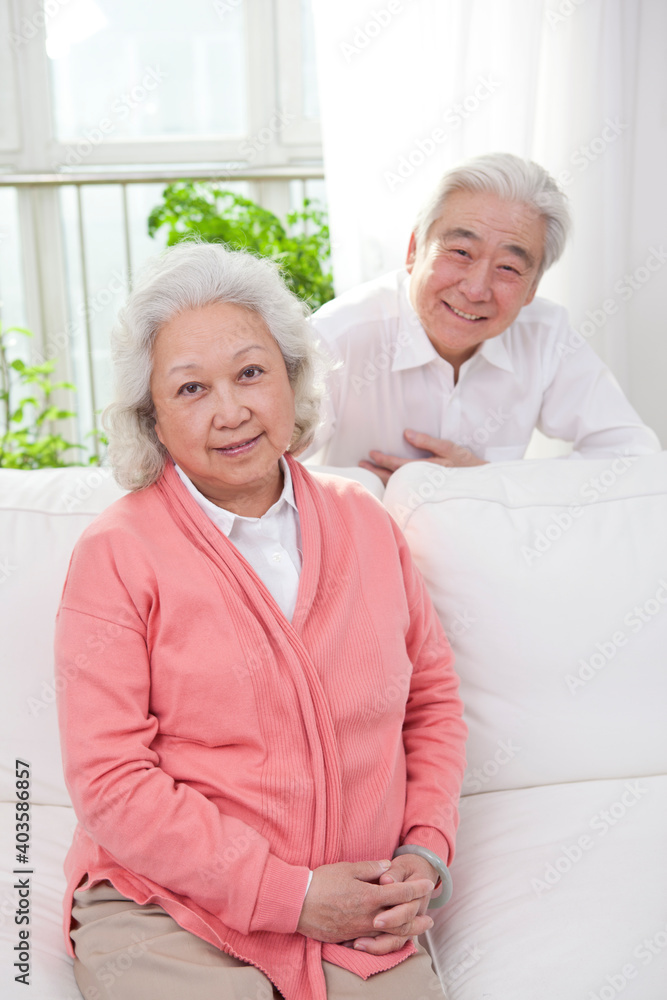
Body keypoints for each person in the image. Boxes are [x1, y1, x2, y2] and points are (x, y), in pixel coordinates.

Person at [54, 241, 467, 1000]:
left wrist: (425, 849)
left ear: (291, 377)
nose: (231, 410)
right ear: (153, 417)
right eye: (190, 389)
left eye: (250, 372)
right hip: (169, 915)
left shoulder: (365, 526)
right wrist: (293, 897)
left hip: (362, 915)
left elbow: (432, 704)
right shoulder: (117, 553)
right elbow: (110, 780)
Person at [302, 153, 660, 483]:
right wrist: (377, 491)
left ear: (532, 288)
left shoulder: (544, 334)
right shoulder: (338, 335)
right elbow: (266, 470)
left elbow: (633, 455)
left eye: (508, 267)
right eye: (461, 252)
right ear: (414, 251)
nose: (476, 290)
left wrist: (486, 480)